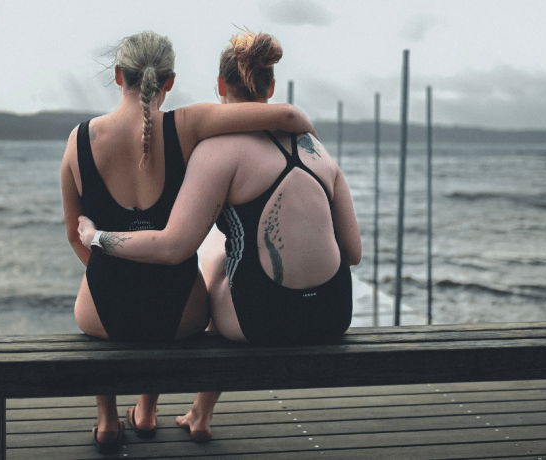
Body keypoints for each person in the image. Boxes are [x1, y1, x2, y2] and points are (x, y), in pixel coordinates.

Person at [77, 30, 361, 443]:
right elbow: (352, 252)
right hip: (334, 314)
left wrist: (98, 237)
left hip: (262, 320)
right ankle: (199, 413)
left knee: (213, 254)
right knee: (226, 255)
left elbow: (174, 246)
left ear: (220, 86)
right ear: (272, 87)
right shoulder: (318, 150)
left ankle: (190, 412)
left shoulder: (218, 150)